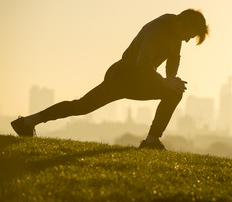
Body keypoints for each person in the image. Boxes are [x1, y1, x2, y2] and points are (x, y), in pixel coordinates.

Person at [11, 8, 209, 150]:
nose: (188, 40)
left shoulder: (177, 33)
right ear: (183, 24)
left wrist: (172, 79)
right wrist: (164, 82)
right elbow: (143, 63)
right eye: (190, 35)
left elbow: (174, 59)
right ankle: (27, 123)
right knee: (81, 106)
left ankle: (151, 141)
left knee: (174, 92)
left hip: (142, 80)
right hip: (123, 77)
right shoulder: (157, 30)